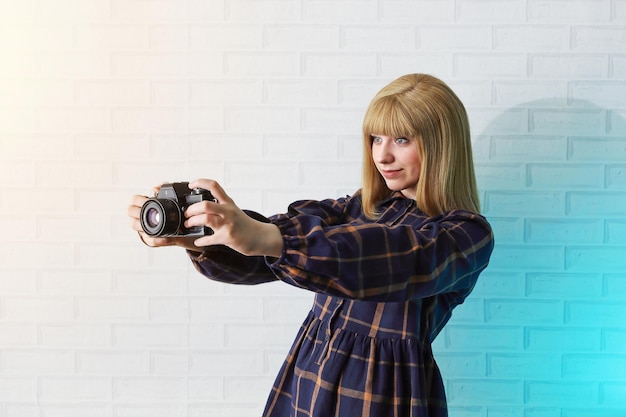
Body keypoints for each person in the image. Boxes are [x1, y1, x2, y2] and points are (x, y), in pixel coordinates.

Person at [127, 73, 494, 417]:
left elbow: (385, 259)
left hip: (381, 391)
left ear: (441, 144)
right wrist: (205, 235)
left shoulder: (464, 233)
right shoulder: (359, 206)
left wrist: (269, 238)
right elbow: (268, 252)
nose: (381, 155)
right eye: (375, 138)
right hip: (308, 373)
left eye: (401, 139)